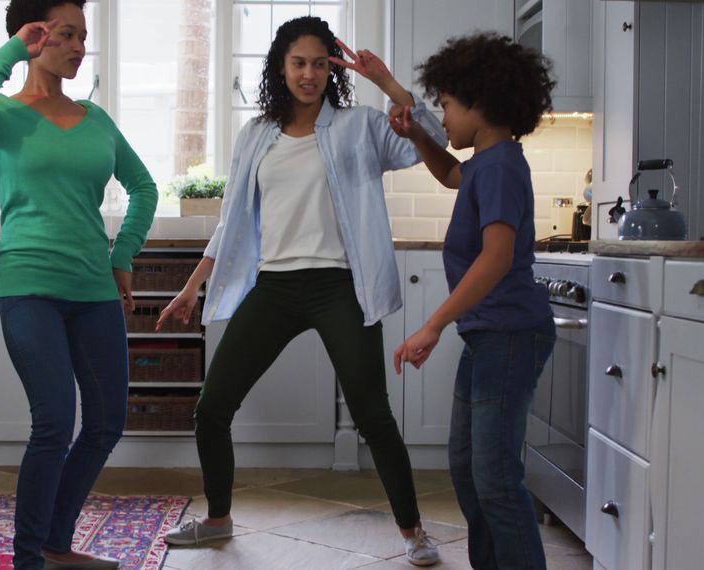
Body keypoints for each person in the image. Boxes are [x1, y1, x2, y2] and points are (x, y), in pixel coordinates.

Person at [154, 16, 445, 566]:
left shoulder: (361, 126)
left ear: (331, 70)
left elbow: (430, 139)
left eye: (318, 63)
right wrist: (194, 286)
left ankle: (413, 532)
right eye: (298, 63)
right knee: (213, 407)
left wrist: (387, 84)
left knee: (372, 414)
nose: (308, 74)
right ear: (280, 67)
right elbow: (231, 220)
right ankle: (217, 520)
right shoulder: (255, 135)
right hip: (275, 287)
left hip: (342, 287)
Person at [0, 0, 157, 568]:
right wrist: (12, 51)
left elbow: (144, 188)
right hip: (29, 287)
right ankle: (28, 560)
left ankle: (54, 543)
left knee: (108, 421)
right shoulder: (1, 116)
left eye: (82, 36)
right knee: (54, 424)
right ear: (36, 36)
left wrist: (123, 257)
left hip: (94, 290)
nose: (78, 46)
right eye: (66, 34)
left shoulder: (97, 119)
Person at [388, 33, 558, 570]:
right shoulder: (487, 161)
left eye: (446, 103)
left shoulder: (504, 165)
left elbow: (497, 257)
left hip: (509, 335)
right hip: (489, 336)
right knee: (466, 468)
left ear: (479, 103)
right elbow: (448, 173)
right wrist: (416, 133)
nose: (444, 113)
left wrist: (434, 324)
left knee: (496, 480)